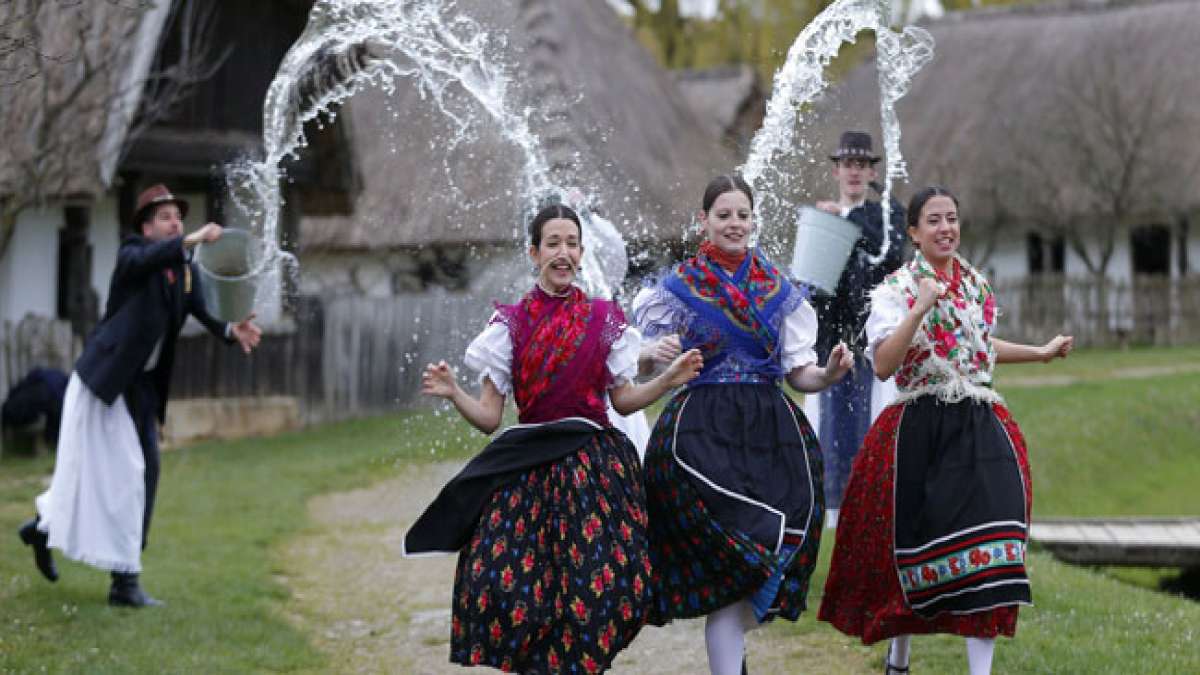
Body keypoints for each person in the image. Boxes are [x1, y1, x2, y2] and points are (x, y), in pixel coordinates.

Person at [405, 204, 703, 674]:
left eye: (571, 243)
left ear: (582, 253)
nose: (562, 253)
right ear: (533, 252)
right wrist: (453, 392)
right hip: (528, 477)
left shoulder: (606, 321)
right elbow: (488, 417)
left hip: (594, 473)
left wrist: (667, 380)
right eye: (552, 244)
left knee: (607, 588)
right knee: (512, 588)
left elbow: (622, 401)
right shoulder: (509, 326)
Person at [817, 187, 1073, 675]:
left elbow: (976, 343)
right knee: (915, 546)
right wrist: (919, 309)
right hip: (920, 426)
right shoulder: (896, 289)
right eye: (933, 221)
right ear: (913, 232)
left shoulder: (976, 285)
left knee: (996, 543)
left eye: (952, 218)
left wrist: (1039, 352)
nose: (945, 228)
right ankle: (900, 656)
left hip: (979, 424)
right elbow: (886, 366)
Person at [632, 174, 853, 675]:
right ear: (703, 221)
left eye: (742, 215)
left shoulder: (779, 289)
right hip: (703, 433)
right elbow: (639, 365)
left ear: (754, 220)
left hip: (770, 430)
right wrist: (656, 356)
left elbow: (801, 374)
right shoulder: (677, 288)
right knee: (739, 553)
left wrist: (832, 372)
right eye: (724, 215)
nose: (734, 223)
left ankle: (733, 647)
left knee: (785, 536)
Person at [16, 184, 262, 607]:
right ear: (146, 227)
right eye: (165, 217)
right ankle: (94, 563)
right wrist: (191, 239)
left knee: (144, 472)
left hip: (140, 391)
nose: (175, 223)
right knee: (105, 474)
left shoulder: (185, 270)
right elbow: (149, 258)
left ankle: (100, 565)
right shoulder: (131, 257)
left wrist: (230, 330)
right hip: (104, 384)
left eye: (178, 217)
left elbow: (200, 311)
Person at [805, 130, 906, 526]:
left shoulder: (885, 216)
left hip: (874, 339)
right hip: (833, 339)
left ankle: (870, 502)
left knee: (873, 418)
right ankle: (835, 506)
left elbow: (890, 252)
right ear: (836, 170)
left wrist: (843, 221)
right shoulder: (822, 221)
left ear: (870, 171)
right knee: (831, 423)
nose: (854, 172)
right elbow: (814, 284)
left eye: (861, 165)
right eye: (848, 164)